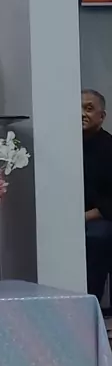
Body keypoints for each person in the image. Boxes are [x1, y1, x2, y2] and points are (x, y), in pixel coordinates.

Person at [82, 89, 112, 302]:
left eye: (89, 108)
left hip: (101, 218)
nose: (81, 113)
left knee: (95, 237)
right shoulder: (63, 146)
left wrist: (85, 216)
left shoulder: (109, 147)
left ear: (102, 116)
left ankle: (92, 305)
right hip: (71, 218)